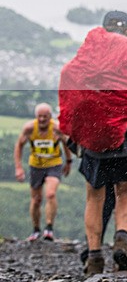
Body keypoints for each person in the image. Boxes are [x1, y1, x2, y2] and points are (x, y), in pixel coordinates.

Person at [79, 11, 127, 276]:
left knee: (95, 196)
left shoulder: (88, 57)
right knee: (125, 192)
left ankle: (94, 256)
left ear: (103, 29)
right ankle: (122, 239)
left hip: (94, 138)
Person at [13, 103, 72, 242]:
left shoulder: (56, 128)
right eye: (39, 116)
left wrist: (69, 161)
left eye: (45, 116)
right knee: (36, 200)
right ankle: (36, 229)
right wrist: (18, 167)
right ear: (36, 116)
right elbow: (19, 145)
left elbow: (66, 143)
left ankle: (49, 228)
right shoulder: (29, 128)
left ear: (50, 116)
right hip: (36, 166)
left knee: (50, 194)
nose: (42, 119)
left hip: (54, 164)